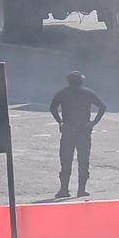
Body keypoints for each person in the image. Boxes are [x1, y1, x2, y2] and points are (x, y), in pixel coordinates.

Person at [49, 69, 107, 200]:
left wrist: (60, 122)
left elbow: (52, 108)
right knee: (83, 160)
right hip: (83, 131)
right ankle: (81, 189)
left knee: (65, 160)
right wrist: (92, 123)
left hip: (68, 131)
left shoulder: (63, 93)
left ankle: (64, 189)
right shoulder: (88, 93)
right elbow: (102, 107)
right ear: (81, 81)